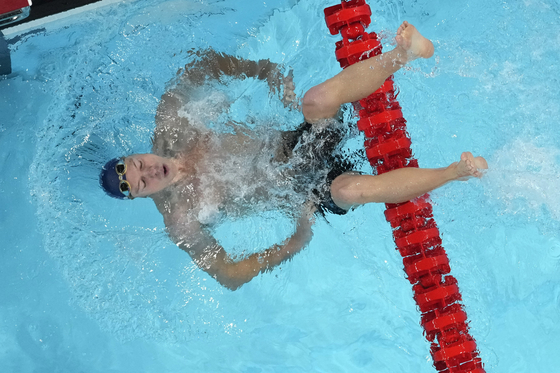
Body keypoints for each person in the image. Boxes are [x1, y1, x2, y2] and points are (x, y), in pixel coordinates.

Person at [99, 22, 487, 290]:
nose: (150, 171)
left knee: (315, 99)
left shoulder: (172, 120)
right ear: (142, 196)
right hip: (304, 189)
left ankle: (406, 54)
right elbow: (230, 275)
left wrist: (263, 70)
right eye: (143, 184)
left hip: (296, 143)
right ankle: (455, 172)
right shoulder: (181, 220)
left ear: (134, 154)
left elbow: (202, 65)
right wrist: (295, 241)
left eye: (138, 164)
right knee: (349, 192)